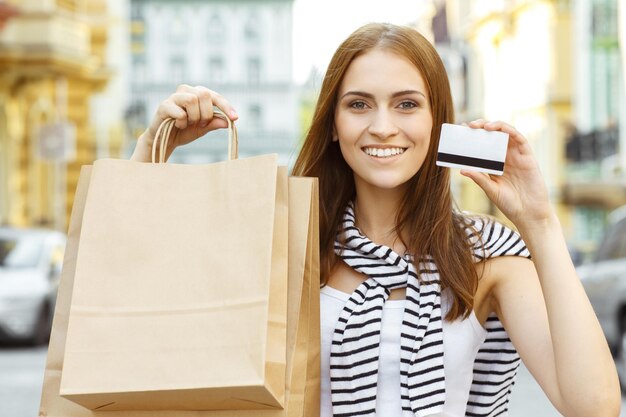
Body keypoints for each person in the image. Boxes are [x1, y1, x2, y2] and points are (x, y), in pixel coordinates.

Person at [131, 23, 620, 417]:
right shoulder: (287, 241)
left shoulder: (485, 255)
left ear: (437, 122)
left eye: (407, 104)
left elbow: (594, 407)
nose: (382, 126)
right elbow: (144, 300)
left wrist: (539, 222)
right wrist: (150, 155)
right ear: (333, 125)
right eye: (359, 104)